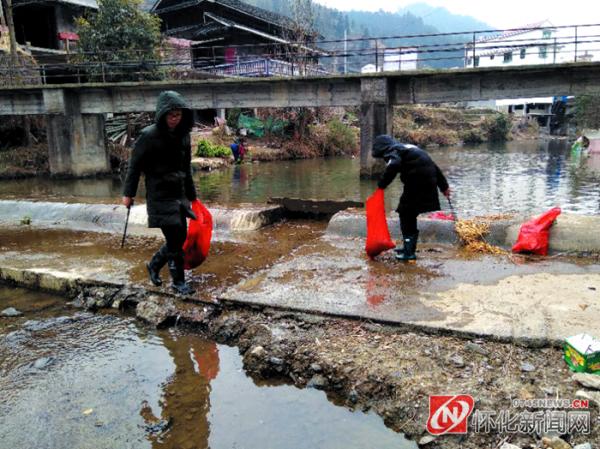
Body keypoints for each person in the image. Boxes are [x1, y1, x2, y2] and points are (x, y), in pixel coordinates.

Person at [122, 90, 197, 295]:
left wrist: (192, 196)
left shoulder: (184, 136)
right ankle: (178, 282)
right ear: (162, 114)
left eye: (178, 115)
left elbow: (186, 167)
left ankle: (154, 265)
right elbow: (134, 166)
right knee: (175, 240)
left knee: (178, 238)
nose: (175, 119)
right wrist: (128, 194)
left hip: (179, 195)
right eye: (171, 115)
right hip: (160, 196)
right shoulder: (148, 136)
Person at [372, 135, 451, 261]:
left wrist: (382, 185)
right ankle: (408, 248)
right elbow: (434, 166)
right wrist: (444, 187)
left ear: (383, 149)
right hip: (427, 180)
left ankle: (409, 252)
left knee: (406, 213)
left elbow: (393, 165)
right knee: (408, 213)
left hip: (417, 182)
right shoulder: (408, 148)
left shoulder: (393, 151)